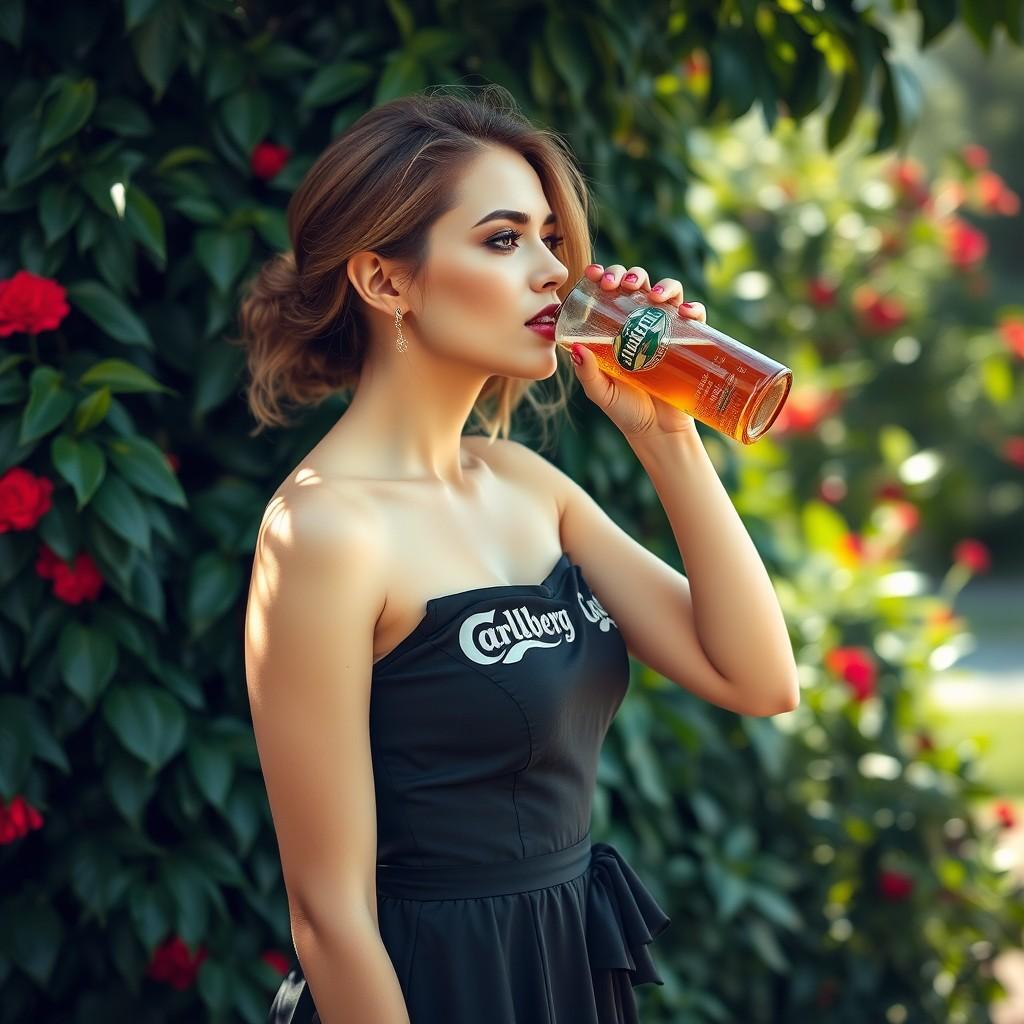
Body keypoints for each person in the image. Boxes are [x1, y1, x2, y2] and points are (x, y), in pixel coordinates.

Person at [240, 84, 799, 1024]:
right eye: (504, 240)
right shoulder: (324, 533)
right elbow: (330, 916)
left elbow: (758, 677)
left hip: (568, 966)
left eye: (549, 237)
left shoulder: (522, 484)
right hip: (431, 987)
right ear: (385, 282)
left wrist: (667, 436)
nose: (554, 272)